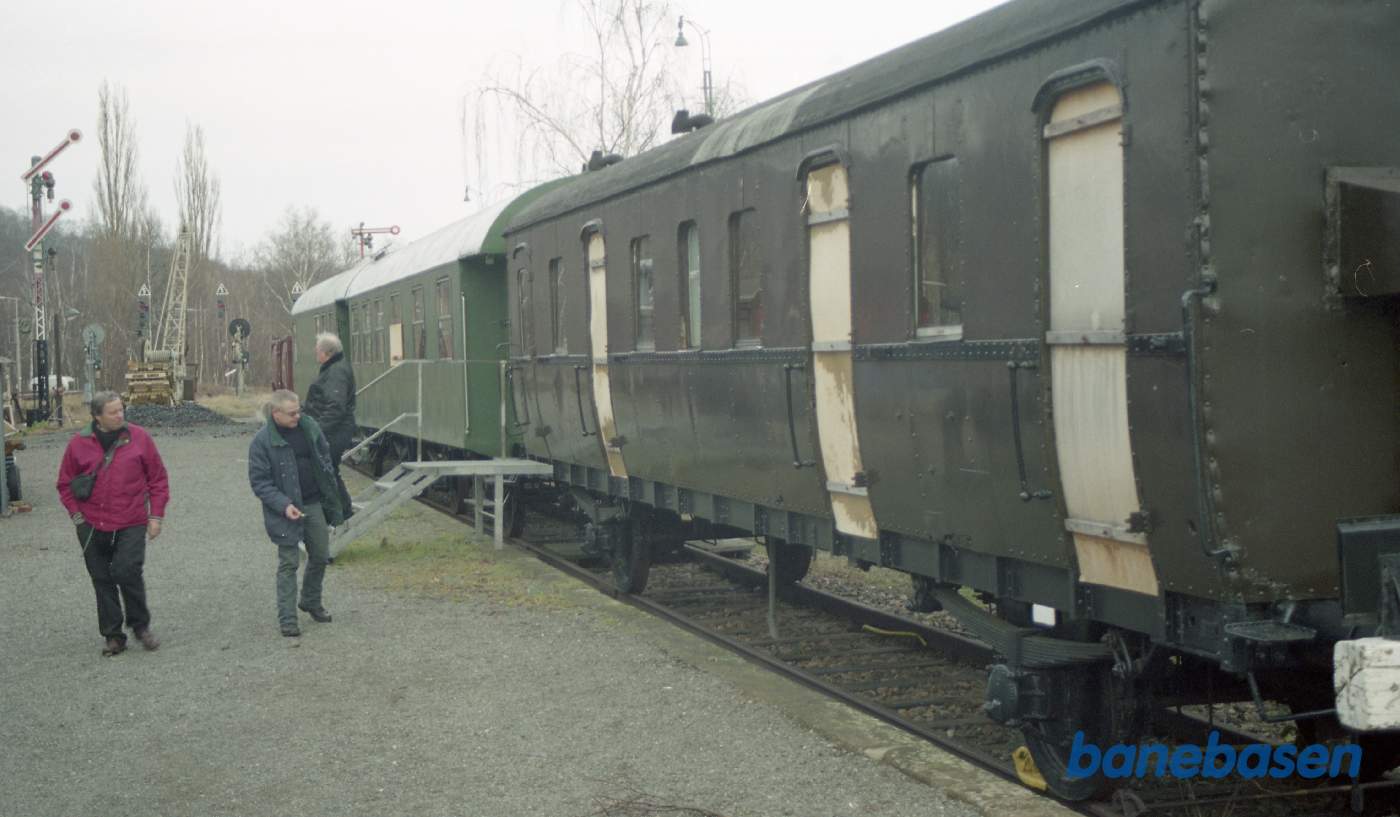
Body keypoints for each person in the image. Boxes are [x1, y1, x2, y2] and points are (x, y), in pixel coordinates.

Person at [56, 391, 169, 657]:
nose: (120, 415)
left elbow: (158, 479)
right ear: (97, 416)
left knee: (127, 571)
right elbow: (64, 484)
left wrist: (156, 516)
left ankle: (141, 627)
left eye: (121, 409)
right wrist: (77, 516)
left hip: (131, 519)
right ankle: (113, 635)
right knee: (101, 579)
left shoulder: (140, 438)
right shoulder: (77, 444)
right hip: (91, 523)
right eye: (113, 412)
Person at [248, 389, 344, 637]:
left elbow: (325, 460)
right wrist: (283, 504)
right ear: (275, 413)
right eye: (291, 414)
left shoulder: (309, 428)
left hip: (313, 503)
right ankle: (288, 619)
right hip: (284, 509)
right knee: (289, 563)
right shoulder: (262, 442)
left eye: (299, 411)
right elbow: (260, 483)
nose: (297, 417)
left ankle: (310, 600)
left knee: (321, 554)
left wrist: (332, 494)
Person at [302, 332, 356, 519]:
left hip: (336, 430)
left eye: (317, 350)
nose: (315, 353)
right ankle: (339, 510)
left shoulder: (336, 372)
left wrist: (316, 429)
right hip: (334, 428)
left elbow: (336, 407)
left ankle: (342, 511)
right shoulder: (333, 368)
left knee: (326, 468)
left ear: (327, 352)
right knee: (328, 468)